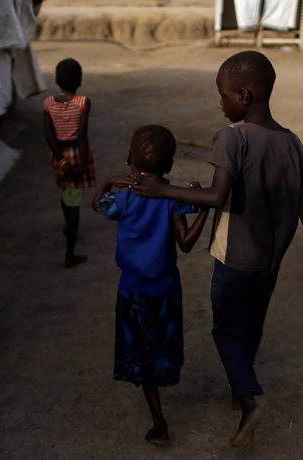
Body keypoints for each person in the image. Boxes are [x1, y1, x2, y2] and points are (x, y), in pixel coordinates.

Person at [130, 51, 303, 446]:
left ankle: (248, 400)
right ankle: (238, 386)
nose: (220, 103)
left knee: (225, 328)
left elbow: (216, 195)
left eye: (223, 95)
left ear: (243, 95)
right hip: (270, 260)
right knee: (252, 325)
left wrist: (163, 190)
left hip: (234, 258)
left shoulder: (233, 137)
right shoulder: (292, 142)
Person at [92, 125, 209, 446]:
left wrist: (105, 182)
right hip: (166, 289)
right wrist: (205, 209)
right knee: (160, 344)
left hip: (131, 289)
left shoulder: (124, 197)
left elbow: (97, 205)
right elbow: (185, 243)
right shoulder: (172, 199)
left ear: (129, 158)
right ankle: (163, 377)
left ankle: (159, 421)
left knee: (139, 352)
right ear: (169, 166)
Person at [43, 57, 97, 268]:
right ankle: (70, 253)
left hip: (59, 155)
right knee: (74, 200)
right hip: (76, 153)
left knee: (66, 192)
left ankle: (68, 226)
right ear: (80, 81)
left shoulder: (48, 103)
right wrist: (81, 164)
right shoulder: (83, 103)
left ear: (57, 80)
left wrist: (62, 160)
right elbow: (82, 135)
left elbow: (49, 137)